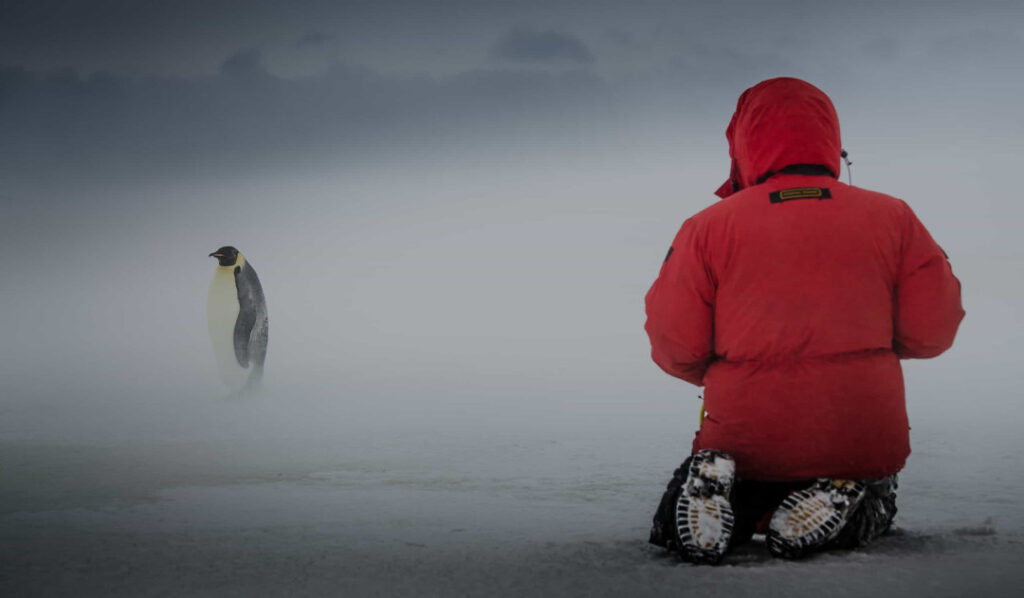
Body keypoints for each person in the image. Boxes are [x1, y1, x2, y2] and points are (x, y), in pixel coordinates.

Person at [644, 77, 964, 564]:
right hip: (857, 431)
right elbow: (934, 330)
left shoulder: (707, 227)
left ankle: (712, 484)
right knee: (872, 500)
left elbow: (676, 344)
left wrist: (719, 368)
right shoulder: (894, 217)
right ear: (830, 138)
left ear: (743, 143)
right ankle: (845, 495)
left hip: (744, 438)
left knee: (682, 522)